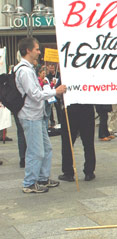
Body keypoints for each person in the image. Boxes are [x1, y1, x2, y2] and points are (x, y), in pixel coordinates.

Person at [15, 37, 66, 193]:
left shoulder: (29, 69)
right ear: (28, 50)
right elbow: (34, 94)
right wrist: (54, 92)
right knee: (35, 150)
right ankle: (29, 182)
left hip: (37, 114)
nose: (39, 52)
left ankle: (43, 178)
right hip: (30, 115)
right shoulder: (24, 70)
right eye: (36, 49)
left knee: (46, 148)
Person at [58, 78, 96, 182]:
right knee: (88, 143)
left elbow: (59, 92)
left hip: (70, 108)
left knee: (68, 142)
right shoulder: (88, 73)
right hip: (86, 108)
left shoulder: (66, 73)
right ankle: (89, 171)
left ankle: (68, 172)